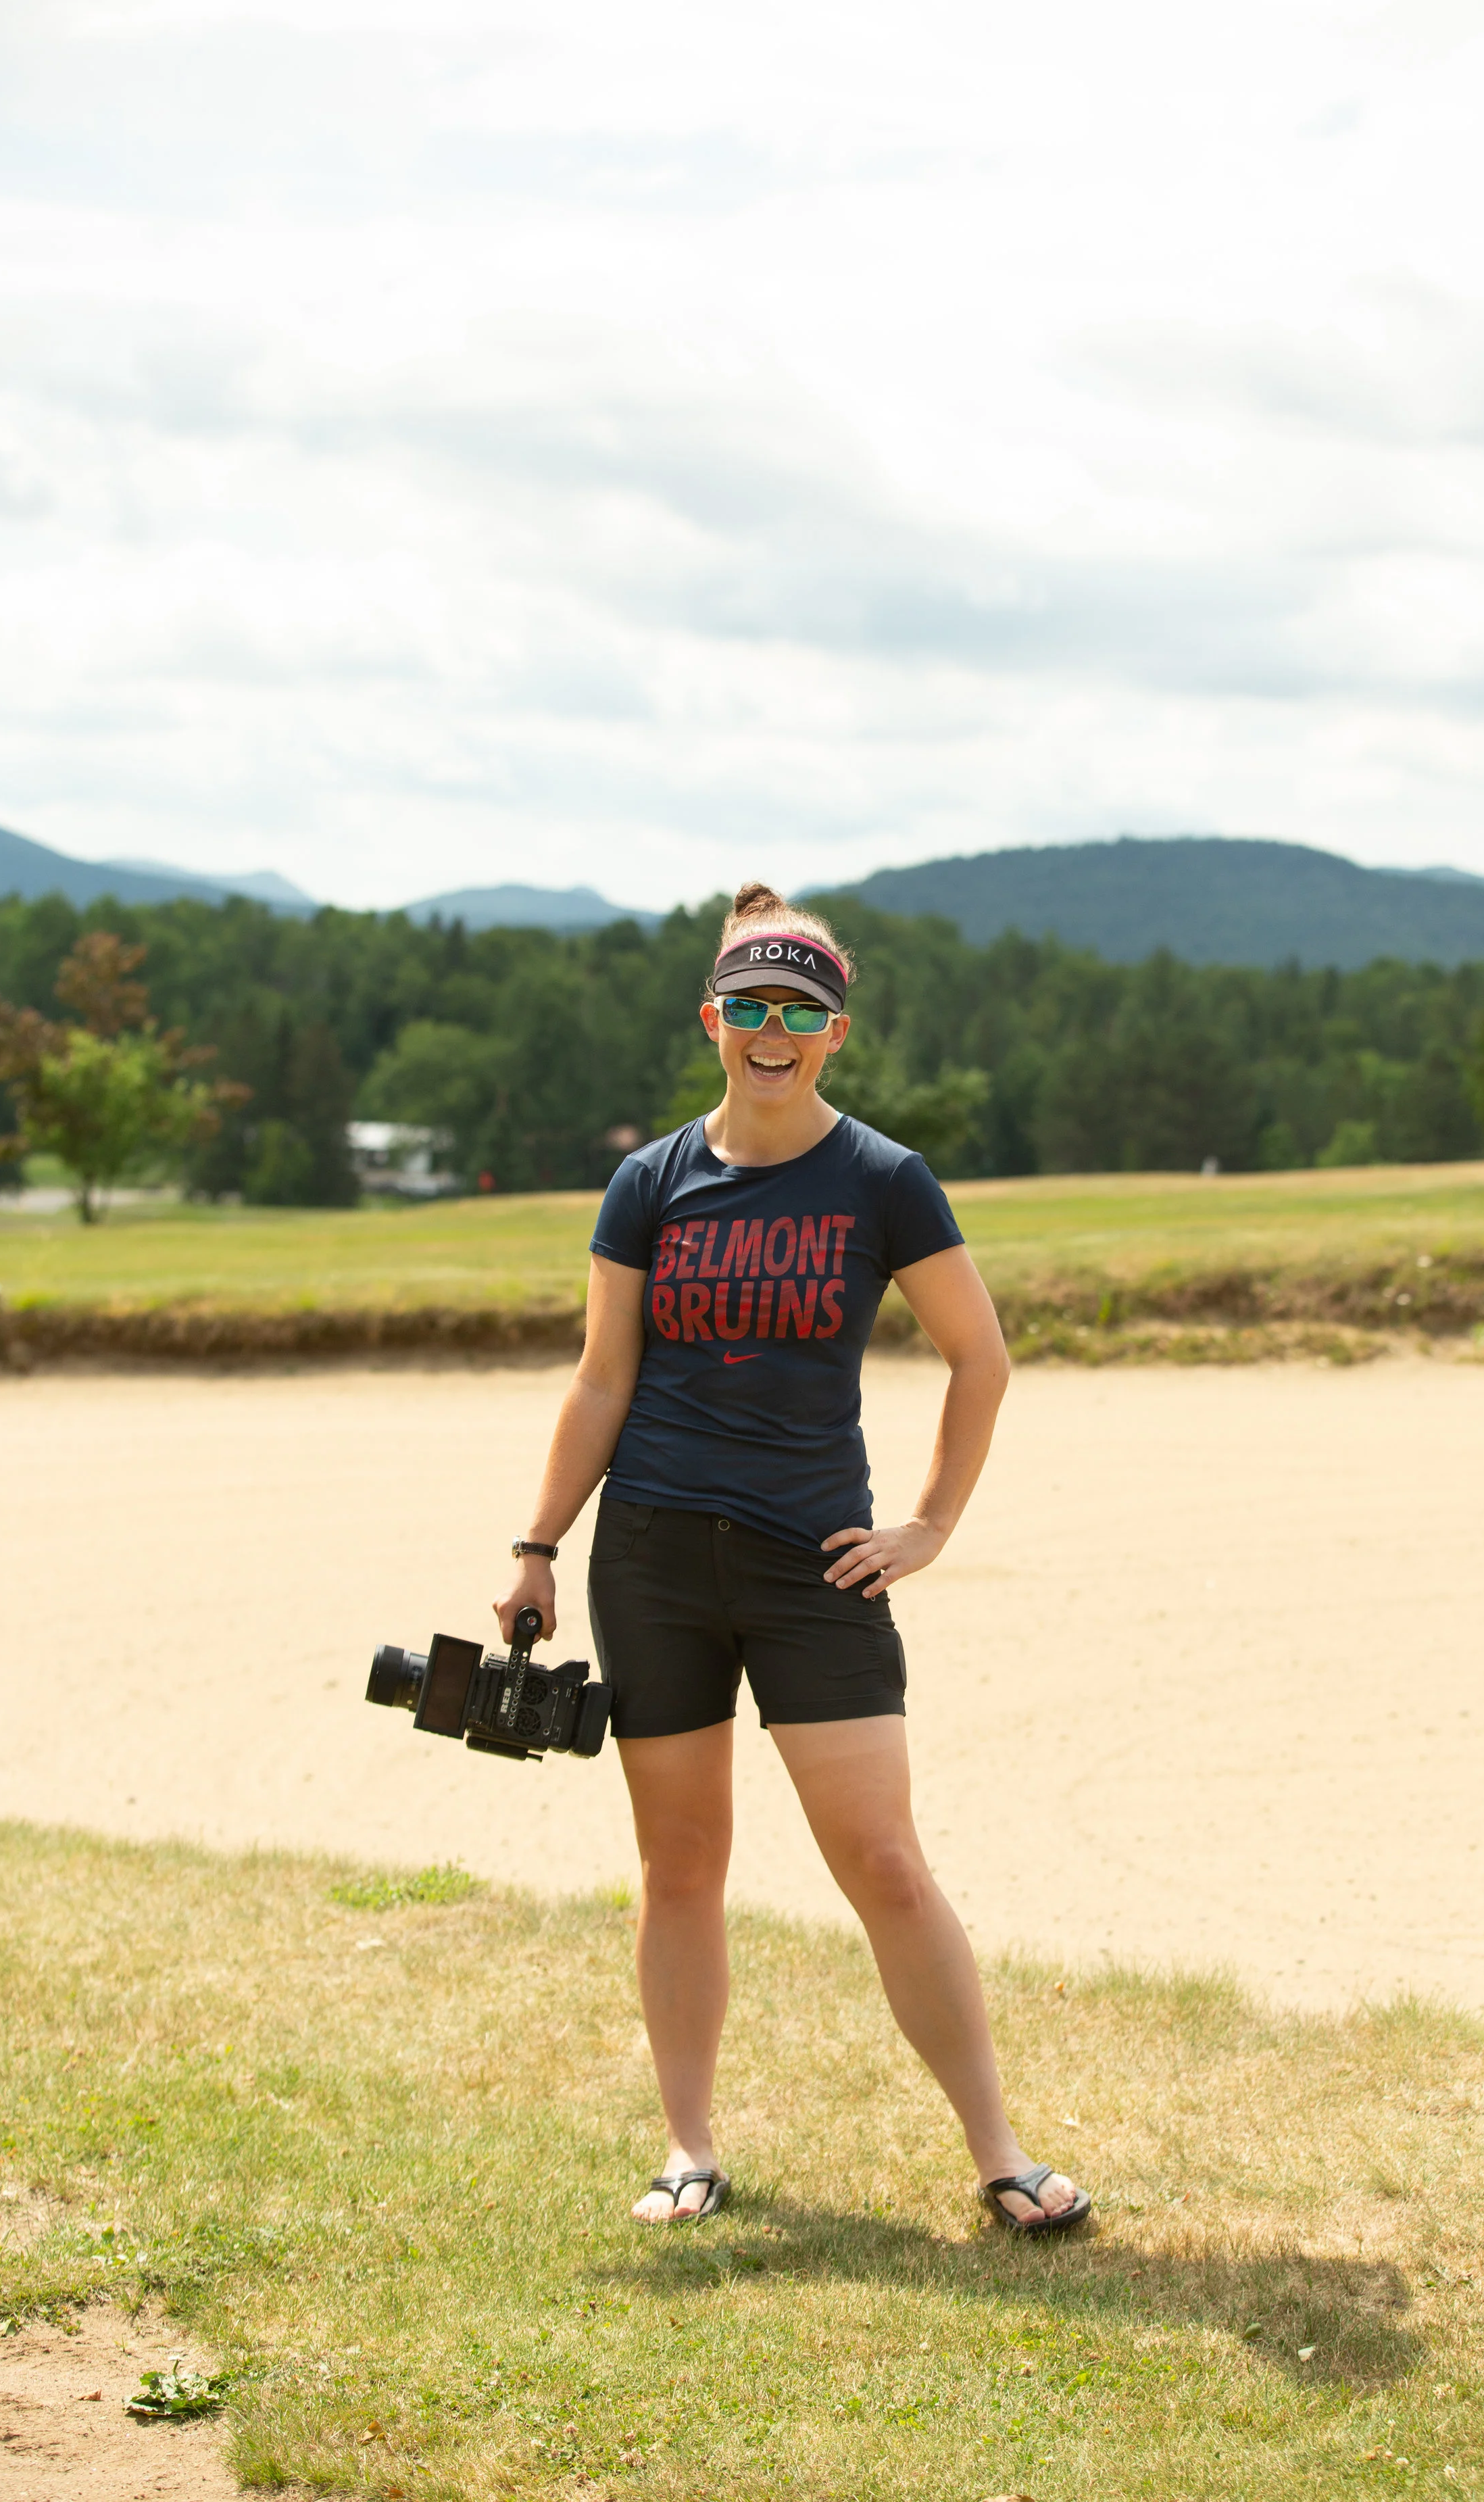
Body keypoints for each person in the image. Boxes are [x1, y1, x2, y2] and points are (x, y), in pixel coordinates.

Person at [495, 882, 1090, 2238]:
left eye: (799, 1012)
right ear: (714, 1019)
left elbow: (978, 1361)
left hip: (816, 1568)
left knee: (881, 1860)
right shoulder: (648, 1183)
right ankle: (689, 2149)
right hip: (648, 1558)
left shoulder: (882, 1181)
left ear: (833, 1031)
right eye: (750, 1008)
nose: (773, 1032)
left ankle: (998, 2154)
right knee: (680, 1864)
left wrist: (929, 1525)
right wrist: (538, 1546)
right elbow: (600, 1382)